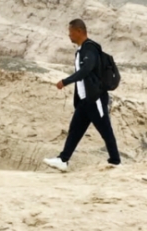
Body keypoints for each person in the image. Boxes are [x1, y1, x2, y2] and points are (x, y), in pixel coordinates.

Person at [44, 19, 121, 171]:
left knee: (105, 129)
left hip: (95, 98)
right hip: (85, 102)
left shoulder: (89, 49)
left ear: (79, 31)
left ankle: (115, 161)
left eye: (70, 32)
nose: (69, 35)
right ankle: (63, 160)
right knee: (75, 130)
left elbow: (86, 70)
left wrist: (65, 81)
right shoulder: (82, 50)